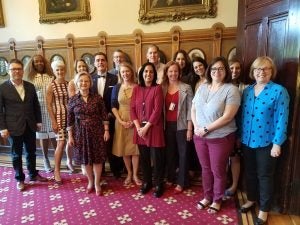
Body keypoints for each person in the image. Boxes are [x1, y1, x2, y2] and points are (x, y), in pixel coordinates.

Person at [239, 56, 289, 225]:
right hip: (247, 140)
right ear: (253, 72)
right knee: (250, 173)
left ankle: (264, 209)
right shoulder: (247, 91)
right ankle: (252, 199)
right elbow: (242, 116)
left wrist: (277, 143)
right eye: (258, 69)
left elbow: (282, 118)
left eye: (265, 69)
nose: (261, 72)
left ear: (271, 71)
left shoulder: (279, 91)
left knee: (265, 176)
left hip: (267, 143)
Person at [191, 56, 240, 213]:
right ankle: (207, 196)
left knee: (217, 170)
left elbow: (228, 116)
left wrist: (206, 129)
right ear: (209, 71)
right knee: (205, 169)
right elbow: (193, 109)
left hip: (220, 137)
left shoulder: (231, 90)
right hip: (200, 137)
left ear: (225, 71)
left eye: (220, 68)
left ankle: (217, 199)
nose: (216, 72)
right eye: (213, 69)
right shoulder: (202, 87)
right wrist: (197, 127)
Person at [0, 59, 48, 192]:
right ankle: (19, 179)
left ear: (22, 71)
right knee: (16, 154)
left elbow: (36, 105)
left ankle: (32, 174)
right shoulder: (2, 88)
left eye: (19, 69)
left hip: (30, 125)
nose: (16, 71)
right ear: (9, 71)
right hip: (13, 127)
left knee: (31, 152)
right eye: (13, 69)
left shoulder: (30, 86)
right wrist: (2, 128)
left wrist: (38, 121)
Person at [67, 71, 110, 196]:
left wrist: (106, 130)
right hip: (80, 133)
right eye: (81, 81)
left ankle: (97, 183)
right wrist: (70, 136)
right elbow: (69, 121)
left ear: (90, 83)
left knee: (97, 158)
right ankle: (90, 182)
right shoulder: (73, 100)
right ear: (77, 83)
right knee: (86, 159)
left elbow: (104, 115)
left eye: (86, 81)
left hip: (97, 131)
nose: (84, 83)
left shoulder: (97, 98)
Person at [130, 62, 165, 198]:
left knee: (157, 159)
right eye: (146, 72)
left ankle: (158, 184)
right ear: (141, 73)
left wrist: (146, 127)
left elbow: (157, 111)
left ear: (154, 74)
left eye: (151, 72)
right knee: (144, 159)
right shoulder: (137, 89)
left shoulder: (157, 89)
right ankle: (147, 182)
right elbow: (132, 109)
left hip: (154, 128)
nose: (148, 74)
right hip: (140, 130)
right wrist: (139, 127)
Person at [162, 61, 193, 193]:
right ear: (166, 73)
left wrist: (190, 128)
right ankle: (170, 177)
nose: (173, 73)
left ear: (179, 72)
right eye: (170, 71)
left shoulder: (186, 87)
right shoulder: (161, 88)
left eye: (175, 71)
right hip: (166, 125)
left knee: (183, 154)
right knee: (169, 154)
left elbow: (191, 109)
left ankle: (182, 181)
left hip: (182, 126)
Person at [91, 52, 124, 179]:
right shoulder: (89, 78)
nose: (100, 62)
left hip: (111, 117)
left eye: (102, 60)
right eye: (98, 60)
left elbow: (117, 98)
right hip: (94, 120)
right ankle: (101, 172)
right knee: (97, 146)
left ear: (106, 62)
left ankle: (116, 171)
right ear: (94, 63)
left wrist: (112, 112)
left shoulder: (115, 78)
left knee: (112, 145)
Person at [24, 54, 56, 173]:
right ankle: (46, 158)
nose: (39, 63)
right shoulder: (30, 77)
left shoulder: (50, 76)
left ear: (44, 62)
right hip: (38, 109)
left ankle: (56, 158)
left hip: (51, 107)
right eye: (36, 61)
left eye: (41, 61)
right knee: (43, 136)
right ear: (33, 64)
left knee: (54, 134)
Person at [111, 62, 141, 186]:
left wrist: (136, 122)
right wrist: (121, 121)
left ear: (132, 72)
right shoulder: (116, 87)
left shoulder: (138, 87)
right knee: (124, 149)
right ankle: (128, 173)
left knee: (135, 150)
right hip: (121, 121)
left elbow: (141, 106)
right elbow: (113, 106)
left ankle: (135, 174)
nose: (125, 74)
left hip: (136, 120)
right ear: (120, 73)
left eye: (127, 71)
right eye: (122, 72)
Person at [224, 58, 248, 198]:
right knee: (221, 158)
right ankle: (222, 183)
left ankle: (234, 185)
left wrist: (240, 133)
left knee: (235, 157)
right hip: (221, 127)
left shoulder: (244, 88)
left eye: (237, 68)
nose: (234, 71)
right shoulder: (221, 85)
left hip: (237, 126)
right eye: (231, 68)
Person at [46, 60, 69, 184]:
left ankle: (72, 164)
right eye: (57, 70)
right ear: (54, 71)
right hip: (59, 117)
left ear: (65, 70)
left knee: (72, 142)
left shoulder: (68, 83)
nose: (60, 72)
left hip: (70, 117)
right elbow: (49, 105)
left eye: (62, 69)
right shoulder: (52, 85)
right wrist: (53, 121)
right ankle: (57, 171)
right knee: (60, 143)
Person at [67, 59, 88, 173]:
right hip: (77, 118)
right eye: (79, 66)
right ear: (76, 68)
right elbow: (73, 102)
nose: (81, 68)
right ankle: (82, 167)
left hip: (89, 119)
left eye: (83, 66)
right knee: (77, 144)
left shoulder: (88, 79)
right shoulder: (72, 83)